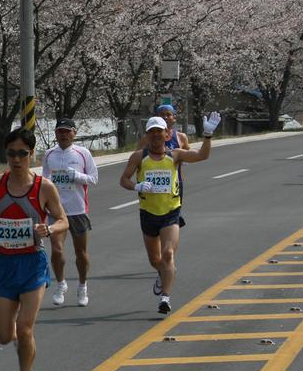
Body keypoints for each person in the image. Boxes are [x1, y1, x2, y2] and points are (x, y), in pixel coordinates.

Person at [0, 128, 69, 371]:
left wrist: (50, 229)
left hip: (32, 263)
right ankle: (21, 343)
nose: (16, 159)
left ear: (32, 154)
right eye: (11, 154)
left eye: (22, 153)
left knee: (25, 327)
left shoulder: (44, 187)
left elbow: (63, 220)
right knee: (4, 336)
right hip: (5, 264)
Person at [119, 112, 221, 314]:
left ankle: (165, 298)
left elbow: (202, 155)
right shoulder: (139, 157)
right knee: (155, 260)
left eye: (160, 132)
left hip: (170, 212)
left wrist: (208, 135)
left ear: (167, 134)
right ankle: (162, 273)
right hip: (148, 213)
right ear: (147, 136)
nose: (156, 135)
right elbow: (124, 180)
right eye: (152, 132)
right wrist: (137, 187)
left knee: (168, 253)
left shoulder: (175, 155)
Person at [40, 119, 97, 307]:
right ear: (55, 134)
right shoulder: (49, 154)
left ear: (74, 133)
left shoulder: (83, 153)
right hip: (56, 211)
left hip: (78, 209)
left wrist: (77, 176)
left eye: (67, 131)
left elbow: (93, 178)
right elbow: (45, 180)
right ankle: (61, 284)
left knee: (81, 252)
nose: (63, 135)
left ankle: (83, 286)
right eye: (60, 131)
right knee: (56, 250)